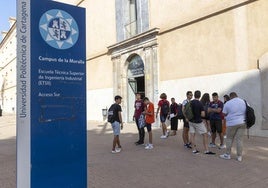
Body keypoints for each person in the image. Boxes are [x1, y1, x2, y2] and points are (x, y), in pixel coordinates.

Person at [220, 92, 246, 162]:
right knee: (239, 139)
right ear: (237, 96)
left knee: (229, 139)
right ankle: (239, 156)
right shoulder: (244, 101)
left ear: (230, 97)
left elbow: (224, 114)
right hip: (242, 122)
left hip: (231, 123)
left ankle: (227, 155)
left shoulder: (228, 103)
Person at [188, 90, 215, 155]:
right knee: (205, 134)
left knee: (192, 135)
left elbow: (186, 110)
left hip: (191, 121)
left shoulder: (190, 102)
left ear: (194, 95)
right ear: (200, 96)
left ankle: (194, 150)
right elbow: (203, 114)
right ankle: (206, 150)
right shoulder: (200, 103)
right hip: (198, 122)